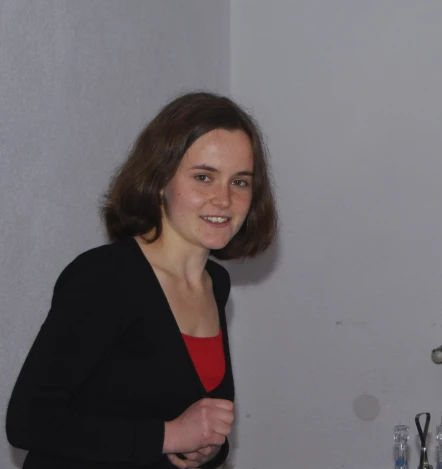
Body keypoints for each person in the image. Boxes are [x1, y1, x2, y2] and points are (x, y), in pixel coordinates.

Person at [6, 91, 278, 469]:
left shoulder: (214, 283)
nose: (223, 199)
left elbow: (186, 423)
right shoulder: (105, 278)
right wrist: (169, 436)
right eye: (203, 177)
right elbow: (28, 422)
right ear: (159, 180)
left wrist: (207, 449)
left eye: (240, 182)